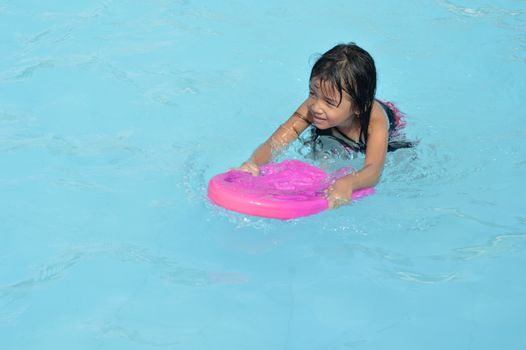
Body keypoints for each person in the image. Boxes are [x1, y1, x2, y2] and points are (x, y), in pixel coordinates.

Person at [235, 43, 414, 209]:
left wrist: (348, 182)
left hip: (385, 134)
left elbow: (374, 170)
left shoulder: (375, 124)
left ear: (358, 107)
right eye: (312, 93)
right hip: (337, 125)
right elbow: (277, 141)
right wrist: (254, 163)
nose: (316, 106)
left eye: (328, 101)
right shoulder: (313, 106)